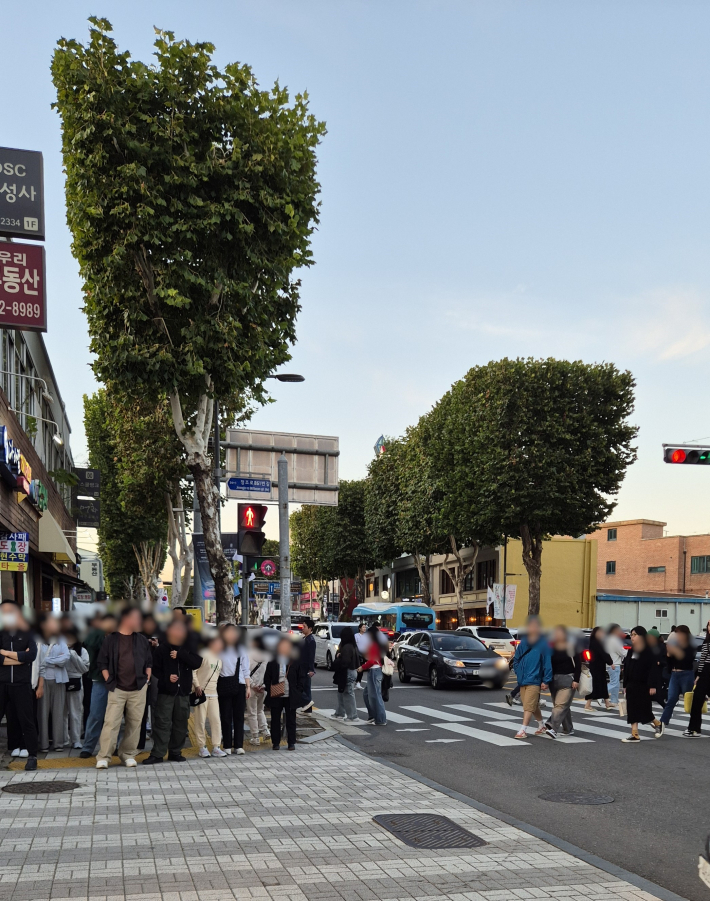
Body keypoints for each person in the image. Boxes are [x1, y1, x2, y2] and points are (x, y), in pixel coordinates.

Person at [95, 607, 152, 769]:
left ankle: (127, 754)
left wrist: (147, 679)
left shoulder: (141, 639)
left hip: (138, 687)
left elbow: (149, 661)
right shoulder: (111, 639)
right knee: (111, 722)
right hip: (117, 687)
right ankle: (104, 756)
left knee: (135, 723)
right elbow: (102, 662)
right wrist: (108, 679)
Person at [143, 620, 202, 764]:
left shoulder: (190, 647)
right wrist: (167, 677)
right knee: (162, 723)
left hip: (183, 692)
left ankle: (175, 752)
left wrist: (180, 654)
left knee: (181, 723)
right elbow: (155, 668)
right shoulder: (162, 648)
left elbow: (197, 662)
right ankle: (158, 753)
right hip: (166, 692)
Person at [0, 600, 39, 770]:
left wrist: (5, 654)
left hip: (22, 684)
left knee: (27, 720)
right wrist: (19, 658)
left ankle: (32, 756)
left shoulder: (28, 632)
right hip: (1, 684)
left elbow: (32, 656)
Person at [80, 613, 117, 758]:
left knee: (116, 716)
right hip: (99, 679)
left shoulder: (120, 634)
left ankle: (115, 745)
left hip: (119, 681)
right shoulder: (95, 635)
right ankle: (88, 746)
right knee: (96, 714)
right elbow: (90, 656)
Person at [511, 616, 552, 739]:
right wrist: (519, 671)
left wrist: (546, 680)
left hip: (535, 679)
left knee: (528, 705)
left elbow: (547, 663)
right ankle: (541, 726)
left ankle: (523, 730)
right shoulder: (524, 642)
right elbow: (516, 659)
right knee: (531, 705)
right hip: (523, 679)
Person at [621, 625, 662, 742]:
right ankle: (635, 734)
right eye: (631, 635)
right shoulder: (631, 650)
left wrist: (652, 685)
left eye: (635, 635)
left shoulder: (648, 650)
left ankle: (657, 723)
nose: (632, 637)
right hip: (631, 683)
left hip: (644, 684)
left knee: (644, 708)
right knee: (632, 708)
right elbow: (627, 667)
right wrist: (625, 685)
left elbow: (653, 668)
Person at [37, 613, 70, 751]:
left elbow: (66, 658)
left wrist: (48, 661)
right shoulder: (37, 640)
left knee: (58, 713)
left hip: (59, 680)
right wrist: (55, 661)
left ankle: (58, 744)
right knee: (42, 714)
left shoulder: (60, 639)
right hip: (42, 681)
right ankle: (43, 744)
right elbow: (37, 661)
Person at [264, 636, 303, 750]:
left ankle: (291, 742)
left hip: (291, 694)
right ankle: (276, 742)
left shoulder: (294, 660)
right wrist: (269, 689)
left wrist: (298, 690)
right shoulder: (273, 661)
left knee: (291, 719)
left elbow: (301, 677)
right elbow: (267, 677)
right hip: (276, 695)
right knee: (275, 719)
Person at [217, 624, 251, 755]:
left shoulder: (241, 649)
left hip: (240, 684)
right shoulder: (219, 648)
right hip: (223, 684)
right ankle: (226, 745)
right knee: (225, 716)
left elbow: (245, 669)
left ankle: (238, 745)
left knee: (239, 716)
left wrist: (248, 687)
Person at [192, 633, 227, 757]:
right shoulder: (203, 654)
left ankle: (216, 746)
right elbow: (193, 671)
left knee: (216, 720)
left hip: (214, 694)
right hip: (201, 693)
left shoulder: (219, 658)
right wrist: (196, 685)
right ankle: (202, 747)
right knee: (200, 721)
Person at [657, 624, 695, 736]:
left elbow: (687, 660)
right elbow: (669, 664)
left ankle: (693, 725)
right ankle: (662, 723)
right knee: (671, 699)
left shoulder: (690, 646)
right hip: (675, 674)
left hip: (686, 674)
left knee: (689, 701)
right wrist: (669, 655)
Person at [544, 625, 581, 738]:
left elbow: (578, 664)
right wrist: (545, 680)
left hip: (568, 680)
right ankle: (568, 729)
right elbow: (547, 664)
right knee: (561, 706)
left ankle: (552, 727)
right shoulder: (551, 647)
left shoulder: (571, 646)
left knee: (560, 706)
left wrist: (576, 680)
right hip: (553, 680)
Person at [63, 626, 89, 749]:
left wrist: (72, 654)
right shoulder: (58, 648)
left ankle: (76, 739)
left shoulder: (82, 651)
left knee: (75, 712)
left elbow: (84, 668)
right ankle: (63, 739)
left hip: (76, 681)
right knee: (61, 713)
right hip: (60, 681)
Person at [359, 624, 387, 726]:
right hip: (374, 671)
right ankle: (373, 716)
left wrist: (362, 667)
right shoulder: (376, 643)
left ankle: (380, 719)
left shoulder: (374, 644)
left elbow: (372, 660)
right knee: (367, 694)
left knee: (376, 696)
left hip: (375, 671)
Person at [686, 620, 710, 737]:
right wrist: (699, 675)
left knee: (698, 699)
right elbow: (702, 660)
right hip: (706, 671)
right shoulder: (706, 642)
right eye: (709, 625)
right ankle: (694, 728)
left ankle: (694, 728)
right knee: (697, 699)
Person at [245, 634, 270, 745]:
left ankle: (255, 737)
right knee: (260, 710)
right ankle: (265, 730)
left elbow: (245, 671)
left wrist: (253, 684)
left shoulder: (248, 655)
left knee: (252, 712)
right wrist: (263, 685)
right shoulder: (267, 656)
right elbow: (269, 674)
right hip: (263, 688)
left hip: (252, 688)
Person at [332, 626, 359, 722]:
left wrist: (339, 657)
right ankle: (340, 713)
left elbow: (345, 661)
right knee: (342, 692)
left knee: (347, 693)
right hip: (351, 671)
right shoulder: (352, 645)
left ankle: (352, 716)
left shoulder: (347, 647)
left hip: (347, 671)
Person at [583, 626, 613, 711]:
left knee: (602, 685)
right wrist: (610, 662)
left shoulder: (595, 642)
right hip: (597, 668)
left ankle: (607, 702)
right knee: (594, 686)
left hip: (597, 667)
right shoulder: (596, 642)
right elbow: (604, 654)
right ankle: (588, 704)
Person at [605, 624, 627, 707]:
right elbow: (622, 652)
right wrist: (632, 653)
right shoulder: (615, 640)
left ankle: (614, 700)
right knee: (614, 683)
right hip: (615, 663)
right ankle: (600, 694)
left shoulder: (608, 639)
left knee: (616, 683)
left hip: (610, 663)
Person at [299, 617, 316, 713]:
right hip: (302, 667)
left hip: (305, 668)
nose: (302, 628)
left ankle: (307, 704)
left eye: (304, 627)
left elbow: (311, 656)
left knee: (302, 688)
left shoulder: (310, 640)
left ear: (310, 628)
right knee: (306, 688)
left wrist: (311, 669)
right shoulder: (305, 638)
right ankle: (308, 709)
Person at [354, 622, 370, 689]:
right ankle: (354, 681)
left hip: (364, 654)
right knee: (356, 668)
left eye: (365, 627)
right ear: (360, 628)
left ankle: (358, 682)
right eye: (363, 627)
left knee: (362, 668)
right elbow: (355, 645)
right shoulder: (356, 635)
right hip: (357, 654)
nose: (364, 628)